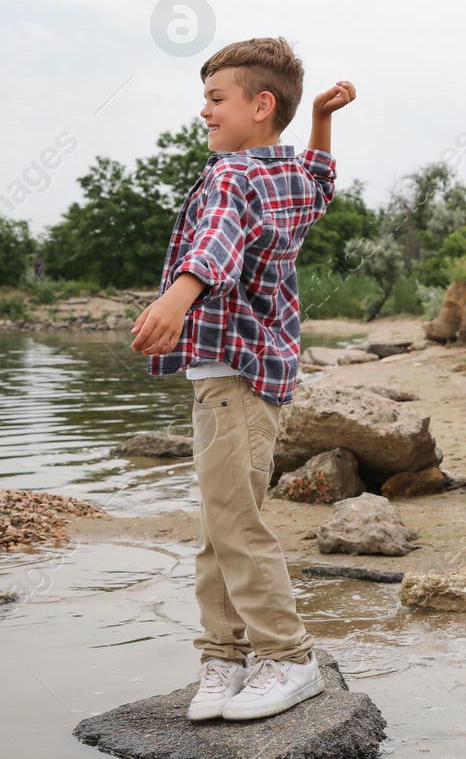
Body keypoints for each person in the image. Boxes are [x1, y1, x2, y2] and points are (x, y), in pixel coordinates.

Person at [130, 36, 355, 720]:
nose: (203, 111)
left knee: (234, 522)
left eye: (215, 98)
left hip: (231, 370)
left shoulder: (234, 175)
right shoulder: (283, 175)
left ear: (260, 105)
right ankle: (224, 656)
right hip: (257, 373)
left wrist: (175, 297)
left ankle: (286, 657)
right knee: (223, 520)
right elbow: (319, 182)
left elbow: (216, 242)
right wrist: (319, 119)